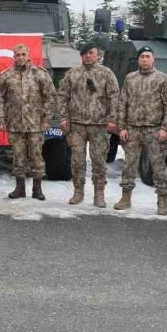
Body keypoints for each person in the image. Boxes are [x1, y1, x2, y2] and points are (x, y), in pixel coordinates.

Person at [114, 46, 167, 214]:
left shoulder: (162, 79)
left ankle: (162, 201)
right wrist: (122, 127)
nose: (145, 59)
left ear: (153, 59)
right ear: (138, 59)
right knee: (129, 165)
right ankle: (126, 197)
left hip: (154, 129)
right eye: (142, 56)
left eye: (148, 56)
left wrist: (165, 128)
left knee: (159, 166)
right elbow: (123, 103)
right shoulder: (130, 78)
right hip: (133, 129)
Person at [58, 43, 119, 208]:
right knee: (77, 160)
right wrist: (63, 118)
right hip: (76, 125)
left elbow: (114, 97)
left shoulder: (106, 73)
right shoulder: (72, 73)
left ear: (97, 55)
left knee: (99, 161)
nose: (88, 56)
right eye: (85, 53)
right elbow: (62, 96)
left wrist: (112, 119)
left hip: (99, 125)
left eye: (91, 53)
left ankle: (99, 194)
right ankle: (78, 192)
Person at [0, 43, 56, 200]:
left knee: (36, 156)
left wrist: (47, 119)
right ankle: (19, 188)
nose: (20, 57)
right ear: (14, 57)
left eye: (23, 54)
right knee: (18, 156)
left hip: (35, 124)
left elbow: (50, 97)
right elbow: (0, 99)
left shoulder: (40, 74)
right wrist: (1, 119)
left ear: (28, 55)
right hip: (15, 124)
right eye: (18, 55)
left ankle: (37, 189)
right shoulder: (6, 75)